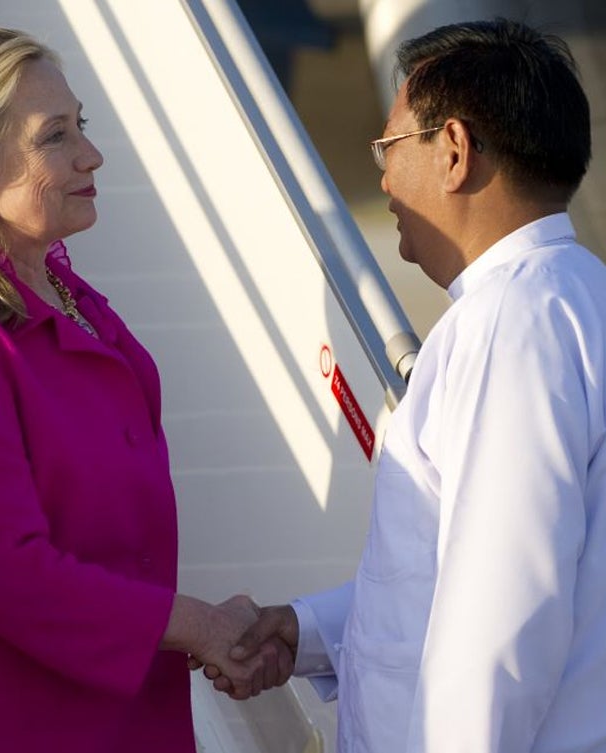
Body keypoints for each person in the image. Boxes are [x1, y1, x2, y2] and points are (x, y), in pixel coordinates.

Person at [0, 26, 288, 753]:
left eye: (82, 125)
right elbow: (6, 571)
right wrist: (199, 625)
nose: (92, 154)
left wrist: (210, 626)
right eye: (55, 137)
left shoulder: (66, 296)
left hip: (92, 718)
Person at [202, 17, 606, 753]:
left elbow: (497, 619)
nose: (384, 177)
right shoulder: (572, 299)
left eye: (388, 148)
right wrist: (308, 627)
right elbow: (458, 575)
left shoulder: (511, 323)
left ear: (452, 151)